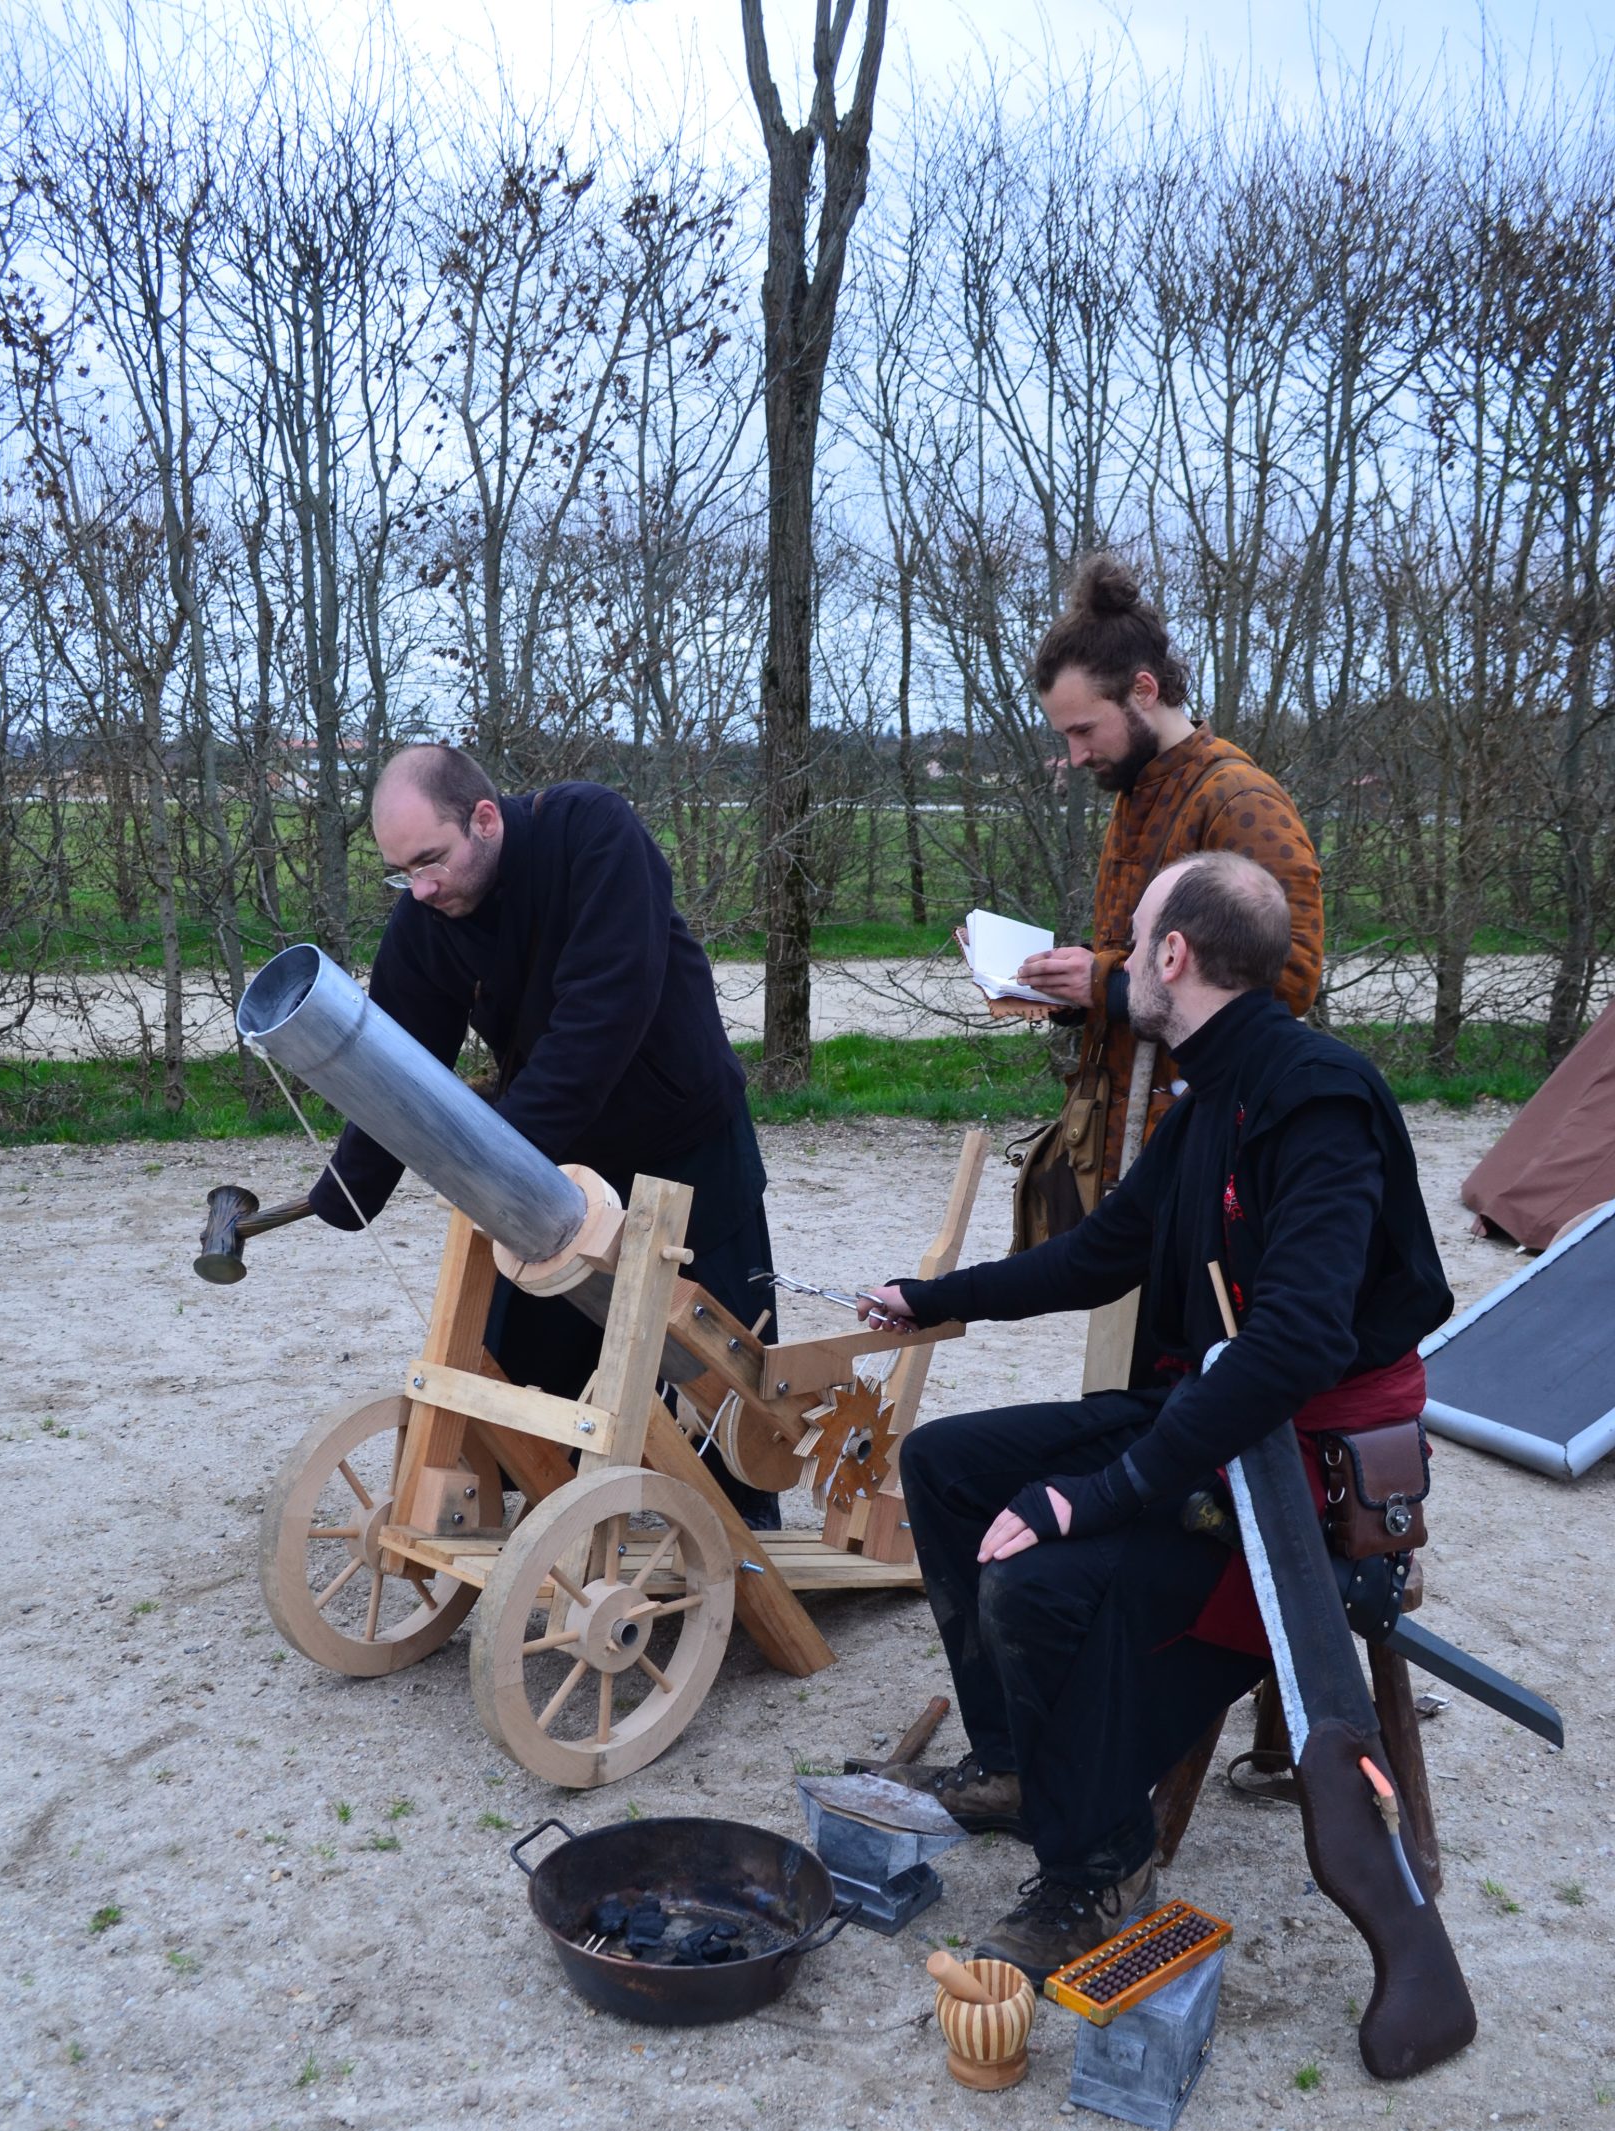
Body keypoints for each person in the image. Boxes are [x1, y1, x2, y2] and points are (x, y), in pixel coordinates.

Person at [859, 853, 1452, 1986]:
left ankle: (1100, 1859)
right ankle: (1018, 1767)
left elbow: (1296, 1345)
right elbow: (1099, 1255)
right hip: (1216, 1412)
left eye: (1132, 940)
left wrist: (1101, 1493)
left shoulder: (1317, 1099)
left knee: (1037, 1579)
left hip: (1303, 1466)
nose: (1120, 959)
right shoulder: (1206, 1097)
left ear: (1173, 955)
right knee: (944, 1464)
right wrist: (933, 1298)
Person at [306, 743, 779, 1522]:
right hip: (559, 1157)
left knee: (719, 1365)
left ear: (485, 820)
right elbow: (397, 1062)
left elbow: (603, 1011)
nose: (419, 889)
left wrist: (497, 1159)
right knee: (526, 1357)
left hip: (683, 1137)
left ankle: (740, 1536)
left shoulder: (592, 833)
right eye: (400, 872)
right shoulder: (427, 918)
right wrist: (346, 1191)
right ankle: (552, 1509)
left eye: (430, 860)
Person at [1019, 554, 1325, 1197]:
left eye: (1084, 729)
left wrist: (1106, 985)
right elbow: (1142, 959)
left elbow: (1289, 983)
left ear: (1143, 691)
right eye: (1065, 735)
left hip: (1200, 1142)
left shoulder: (1238, 801)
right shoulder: (1136, 790)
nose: (1076, 755)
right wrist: (1070, 984)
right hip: (1122, 1137)